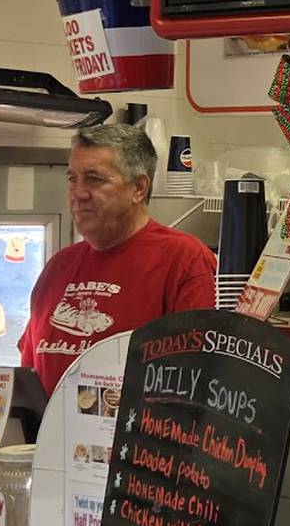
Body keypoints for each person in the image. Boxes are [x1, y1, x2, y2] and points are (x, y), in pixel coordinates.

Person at [19, 125, 216, 395]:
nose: (78, 193)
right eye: (72, 179)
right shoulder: (58, 267)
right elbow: (28, 379)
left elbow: (193, 382)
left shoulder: (184, 260)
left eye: (94, 179)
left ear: (138, 188)